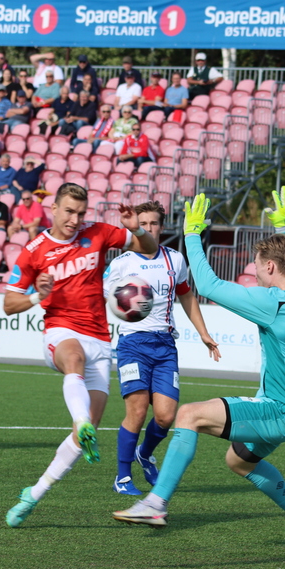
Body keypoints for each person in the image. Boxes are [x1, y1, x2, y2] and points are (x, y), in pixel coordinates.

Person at [113, 190, 285, 545]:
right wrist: (284, 226)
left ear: (270, 267)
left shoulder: (273, 302)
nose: (256, 273)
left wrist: (192, 235)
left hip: (279, 410)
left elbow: (208, 285)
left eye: (257, 266)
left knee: (188, 415)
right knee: (239, 462)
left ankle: (155, 503)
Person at [0, 184, 157, 525]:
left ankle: (34, 493)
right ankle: (81, 421)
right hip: (61, 331)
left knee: (88, 429)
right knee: (75, 362)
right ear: (53, 209)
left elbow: (150, 248)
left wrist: (137, 229)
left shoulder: (98, 233)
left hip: (99, 339)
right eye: (68, 211)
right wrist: (35, 297)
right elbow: (9, 304)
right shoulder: (34, 251)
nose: (74, 219)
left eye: (80, 213)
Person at [99, 200, 221, 495]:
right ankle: (123, 476)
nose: (148, 229)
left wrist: (204, 333)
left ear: (161, 227)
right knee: (137, 411)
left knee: (167, 416)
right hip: (132, 344)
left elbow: (187, 297)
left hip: (165, 345)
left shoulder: (174, 260)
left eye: (153, 224)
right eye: (143, 224)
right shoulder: (121, 263)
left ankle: (145, 453)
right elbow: (98, 297)